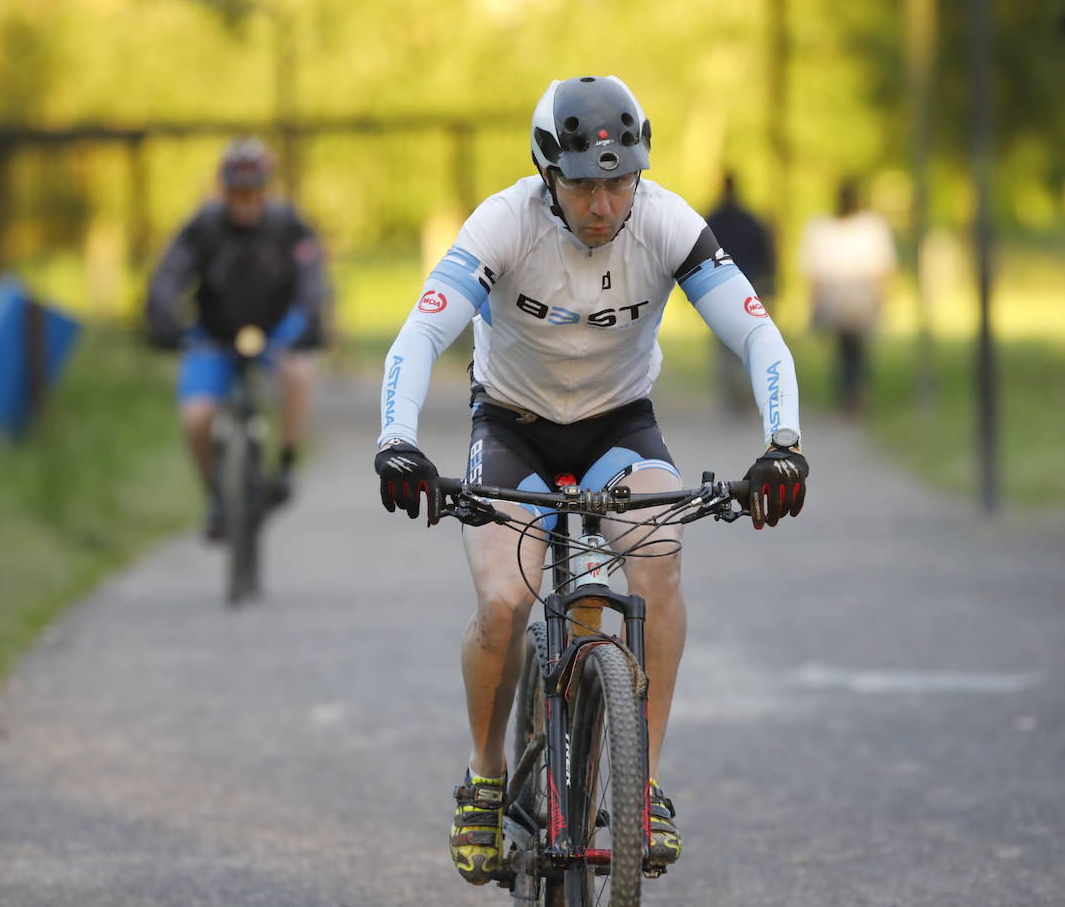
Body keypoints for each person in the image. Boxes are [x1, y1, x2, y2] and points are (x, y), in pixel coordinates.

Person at [373, 75, 809, 885]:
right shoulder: (503, 224)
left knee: (662, 552)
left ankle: (640, 788)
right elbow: (417, 340)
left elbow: (762, 340)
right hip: (510, 426)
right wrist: (396, 441)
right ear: (548, 176)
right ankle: (485, 775)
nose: (604, 204)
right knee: (504, 602)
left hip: (617, 426)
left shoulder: (669, 222)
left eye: (620, 181)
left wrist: (782, 443)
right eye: (583, 184)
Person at [145, 136, 331, 539]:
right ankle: (215, 497)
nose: (245, 201)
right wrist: (162, 319)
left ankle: (284, 464)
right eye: (236, 192)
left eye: (252, 192)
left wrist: (313, 323)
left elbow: (312, 278)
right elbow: (169, 275)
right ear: (223, 190)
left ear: (264, 190)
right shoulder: (202, 227)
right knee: (197, 419)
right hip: (213, 332)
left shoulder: (288, 225)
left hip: (274, 329)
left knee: (298, 371)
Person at [799, 178, 897, 418]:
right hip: (860, 296)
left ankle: (848, 395)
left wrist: (815, 306)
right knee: (856, 350)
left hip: (837, 296)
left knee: (846, 350)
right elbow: (883, 270)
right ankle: (855, 395)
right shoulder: (870, 228)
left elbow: (815, 274)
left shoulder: (823, 229)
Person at [704, 171, 776, 415]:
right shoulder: (750, 220)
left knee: (725, 348)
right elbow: (765, 254)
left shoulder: (711, 220)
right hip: (748, 288)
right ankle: (746, 395)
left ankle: (733, 397)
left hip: (716, 292)